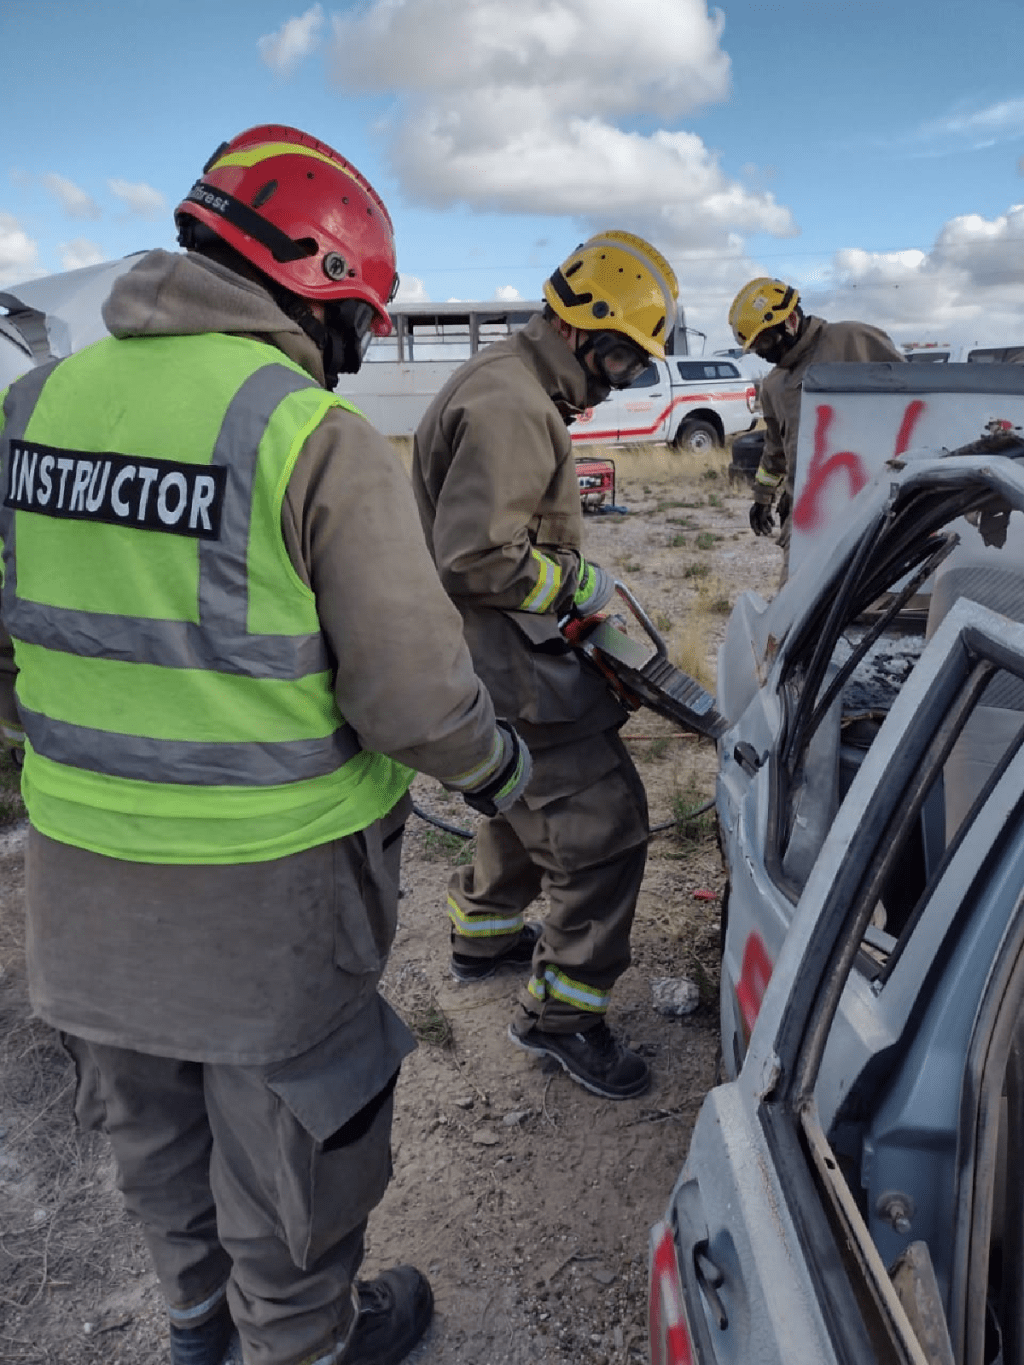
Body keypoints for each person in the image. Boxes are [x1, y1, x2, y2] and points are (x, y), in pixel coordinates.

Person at [0, 124, 531, 1365]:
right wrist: (502, 772)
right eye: (361, 316)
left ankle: (197, 1334)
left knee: (152, 1136)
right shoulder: (306, 434)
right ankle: (301, 1343)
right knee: (295, 1166)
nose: (355, 350)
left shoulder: (31, 405)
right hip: (270, 901)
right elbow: (412, 699)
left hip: (79, 882)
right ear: (318, 282)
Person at [412, 231, 678, 1101]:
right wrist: (573, 581)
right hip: (516, 667)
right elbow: (476, 558)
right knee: (605, 830)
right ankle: (562, 1019)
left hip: (489, 663)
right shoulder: (515, 406)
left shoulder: (507, 380)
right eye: (623, 364)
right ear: (578, 332)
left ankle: (483, 934)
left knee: (519, 798)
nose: (618, 386)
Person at [728, 277, 904, 575]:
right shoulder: (774, 385)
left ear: (792, 320)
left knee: (875, 602)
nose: (764, 353)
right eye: (757, 348)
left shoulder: (853, 341)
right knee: (798, 609)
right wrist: (762, 498)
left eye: (767, 342)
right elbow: (775, 450)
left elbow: (915, 397)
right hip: (806, 518)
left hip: (871, 507)